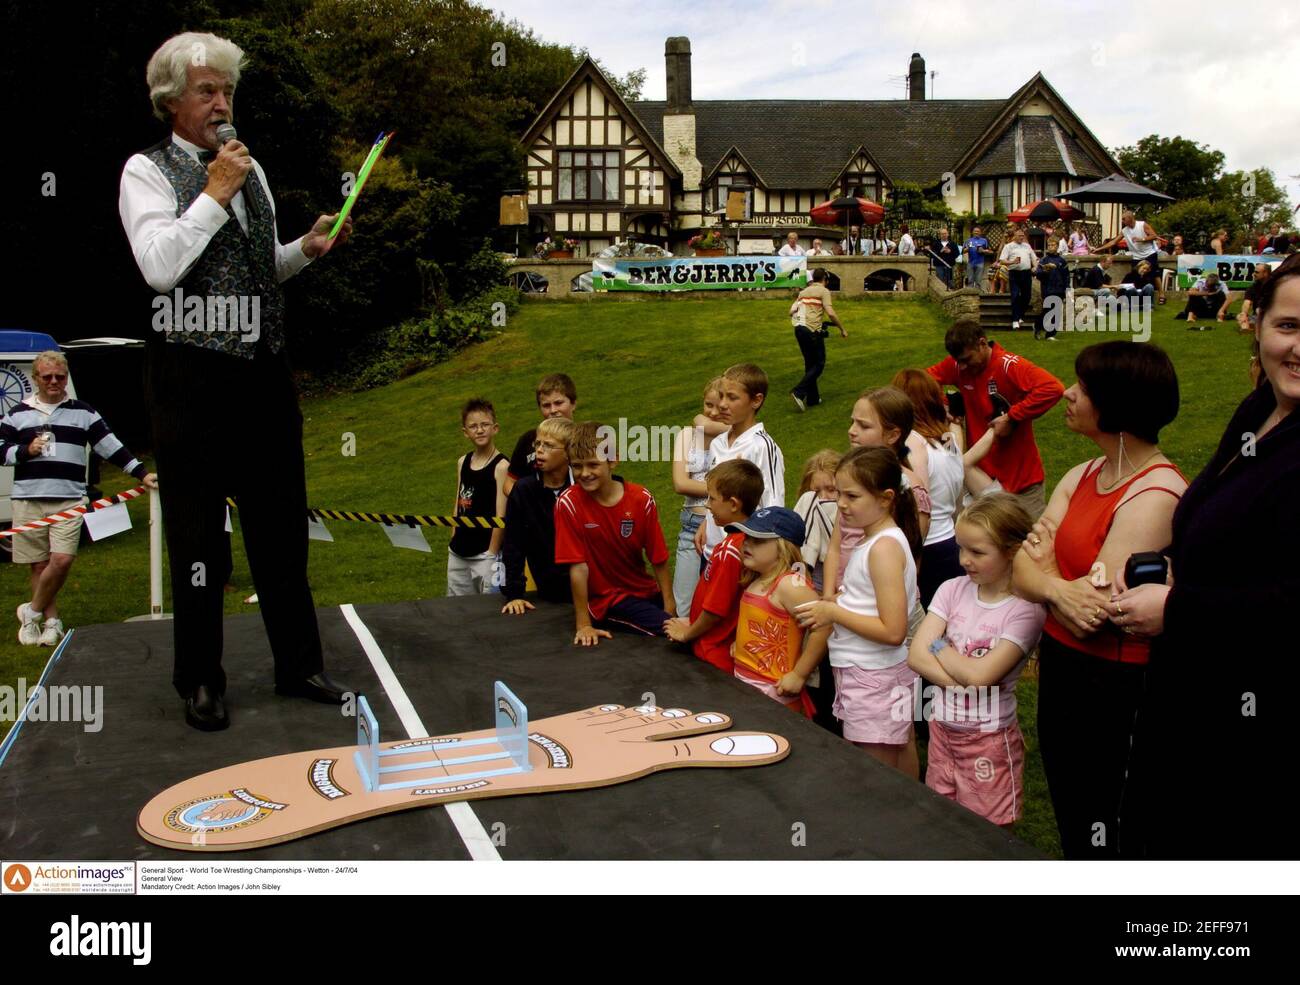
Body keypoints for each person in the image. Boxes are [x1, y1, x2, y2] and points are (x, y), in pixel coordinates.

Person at [119, 32, 353, 731]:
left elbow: (257, 271)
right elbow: (161, 267)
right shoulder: (147, 169)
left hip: (263, 373)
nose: (222, 103)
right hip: (191, 375)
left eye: (227, 90)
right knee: (197, 539)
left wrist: (304, 251)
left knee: (281, 525)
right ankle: (200, 678)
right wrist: (214, 193)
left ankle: (299, 664)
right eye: (206, 91)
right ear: (171, 100)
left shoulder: (251, 170)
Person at [1112, 253, 1300, 859]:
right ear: (1257, 322)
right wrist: (1177, 562)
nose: (1299, 349)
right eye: (1290, 327)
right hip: (1191, 696)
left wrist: (1179, 608)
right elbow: (1220, 513)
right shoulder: (1262, 408)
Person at [1011, 341, 1186, 858]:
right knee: (1073, 806)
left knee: (1106, 817)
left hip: (1112, 686)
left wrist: (1043, 572)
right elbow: (1023, 569)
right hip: (1064, 670)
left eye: (1082, 388)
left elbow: (1094, 610)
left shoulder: (1155, 494)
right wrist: (1054, 581)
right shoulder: (1084, 473)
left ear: (1118, 404)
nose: (1066, 394)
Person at [908, 494, 1046, 828]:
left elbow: (981, 676)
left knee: (990, 830)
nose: (964, 560)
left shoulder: (1025, 610)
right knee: (944, 821)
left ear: (1012, 551)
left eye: (977, 552)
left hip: (989, 738)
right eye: (961, 548)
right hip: (942, 727)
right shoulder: (952, 589)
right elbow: (916, 655)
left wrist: (940, 647)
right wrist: (965, 678)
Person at [2, 352, 158, 646]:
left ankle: (31, 612)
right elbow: (1, 450)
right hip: (28, 498)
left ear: (66, 377)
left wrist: (140, 473)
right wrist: (24, 451)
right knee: (38, 565)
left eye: (59, 377)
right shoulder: (17, 413)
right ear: (36, 379)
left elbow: (109, 446)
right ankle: (50, 622)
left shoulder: (84, 412)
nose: (53, 382)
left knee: (61, 560)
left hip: (68, 498)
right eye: (46, 377)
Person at [795, 446, 922, 775]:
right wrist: (840, 600)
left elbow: (893, 631)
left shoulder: (883, 549)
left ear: (885, 498)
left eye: (852, 496)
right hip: (867, 676)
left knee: (876, 776)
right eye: (839, 493)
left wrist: (833, 613)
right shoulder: (873, 541)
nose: (840, 504)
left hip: (874, 679)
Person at [927, 320, 1064, 519]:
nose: (963, 367)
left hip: (1021, 481)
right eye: (959, 361)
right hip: (980, 477)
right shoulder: (958, 366)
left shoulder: (1008, 365)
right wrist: (941, 402)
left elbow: (1053, 388)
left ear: (982, 343)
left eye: (967, 359)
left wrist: (1013, 416)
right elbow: (924, 379)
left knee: (1030, 541)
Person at [555, 421, 674, 645]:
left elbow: (658, 557)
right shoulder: (568, 503)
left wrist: (670, 606)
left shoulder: (641, 498)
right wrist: (584, 624)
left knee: (682, 626)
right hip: (608, 600)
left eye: (593, 465)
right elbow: (577, 567)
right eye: (577, 466)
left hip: (645, 592)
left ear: (613, 461)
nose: (585, 473)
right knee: (672, 632)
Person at [728, 507, 829, 716]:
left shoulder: (790, 585)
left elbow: (825, 625)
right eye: (747, 536)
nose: (747, 543)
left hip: (774, 692)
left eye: (758, 540)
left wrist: (800, 674)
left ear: (783, 546)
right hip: (747, 682)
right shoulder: (758, 578)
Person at [664, 460, 763, 671]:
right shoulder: (742, 542)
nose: (707, 505)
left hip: (713, 653)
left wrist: (687, 634)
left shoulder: (732, 550)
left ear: (734, 504)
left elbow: (715, 610)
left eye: (712, 498)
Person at [891, 369, 965, 606]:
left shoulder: (913, 442)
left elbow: (917, 499)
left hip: (926, 547)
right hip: (950, 542)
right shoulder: (948, 441)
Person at [697, 364, 786, 556]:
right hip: (710, 553)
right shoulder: (717, 443)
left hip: (740, 555)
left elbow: (773, 507)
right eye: (721, 395)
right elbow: (716, 494)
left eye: (732, 397)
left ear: (756, 400)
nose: (722, 404)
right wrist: (707, 522)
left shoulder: (762, 447)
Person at [501, 417, 574, 614]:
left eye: (549, 445)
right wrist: (514, 594)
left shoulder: (583, 488)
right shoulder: (524, 490)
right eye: (538, 444)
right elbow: (513, 544)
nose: (539, 450)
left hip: (591, 590)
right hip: (548, 593)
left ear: (569, 452)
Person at [669, 378, 728, 613]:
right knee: (684, 604)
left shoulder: (731, 440)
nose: (712, 412)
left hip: (724, 528)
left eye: (719, 407)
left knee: (717, 603)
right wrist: (721, 492)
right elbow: (681, 483)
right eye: (707, 405)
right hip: (691, 526)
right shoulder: (687, 434)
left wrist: (716, 427)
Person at [447, 398, 508, 595]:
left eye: (484, 425)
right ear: (465, 432)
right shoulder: (462, 462)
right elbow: (458, 504)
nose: (479, 430)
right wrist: (454, 538)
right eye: (473, 426)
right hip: (458, 552)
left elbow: (501, 515)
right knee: (457, 607)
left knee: (486, 609)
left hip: (484, 554)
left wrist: (491, 553)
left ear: (495, 428)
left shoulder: (501, 466)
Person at [505, 373, 577, 496]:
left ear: (573, 403)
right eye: (546, 405)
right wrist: (528, 504)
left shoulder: (587, 438)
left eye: (559, 403)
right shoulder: (528, 439)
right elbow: (509, 483)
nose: (553, 410)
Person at [789, 268, 847, 412]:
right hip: (812, 330)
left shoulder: (803, 292)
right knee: (819, 364)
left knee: (810, 364)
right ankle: (798, 392)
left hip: (799, 329)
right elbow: (831, 313)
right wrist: (842, 329)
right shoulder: (824, 291)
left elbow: (791, 311)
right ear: (825, 280)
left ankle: (813, 399)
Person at [1100, 211, 1165, 304]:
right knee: (1136, 274)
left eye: (1124, 219)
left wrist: (1141, 239)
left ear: (1130, 218)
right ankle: (1138, 296)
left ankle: (1161, 294)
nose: (1122, 221)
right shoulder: (1124, 230)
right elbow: (1113, 242)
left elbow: (1154, 236)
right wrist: (1099, 249)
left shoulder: (1142, 225)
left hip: (1149, 253)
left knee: (1155, 274)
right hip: (1136, 256)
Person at [997, 228, 1037, 330]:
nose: (1021, 237)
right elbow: (1002, 261)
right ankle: (1015, 320)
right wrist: (1012, 262)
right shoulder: (1008, 246)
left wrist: (1035, 266)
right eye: (1019, 236)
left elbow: (1034, 258)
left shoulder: (1027, 246)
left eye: (1022, 236)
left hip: (1026, 273)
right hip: (1014, 273)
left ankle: (1019, 315)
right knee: (1015, 295)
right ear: (1014, 236)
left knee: (1027, 296)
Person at [1034, 236, 1069, 341]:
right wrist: (1045, 270)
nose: (1050, 247)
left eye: (1053, 245)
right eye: (1049, 245)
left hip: (1059, 289)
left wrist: (1067, 289)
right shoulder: (1044, 260)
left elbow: (1066, 276)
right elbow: (1038, 274)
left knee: (1057, 312)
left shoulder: (1062, 261)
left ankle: (1050, 334)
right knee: (1047, 310)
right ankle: (1038, 326)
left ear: (1057, 246)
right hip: (1047, 289)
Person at [1237, 261, 1271, 334]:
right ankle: (1246, 328)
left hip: (1270, 315)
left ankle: (1253, 326)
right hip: (1257, 316)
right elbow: (1247, 302)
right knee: (1240, 315)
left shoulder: (1274, 286)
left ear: (1265, 273)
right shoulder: (1253, 287)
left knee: (1259, 311)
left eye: (1257, 272)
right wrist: (1244, 314)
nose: (1254, 274)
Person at [964, 226, 993, 291]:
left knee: (978, 280)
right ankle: (970, 293)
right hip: (970, 262)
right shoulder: (968, 240)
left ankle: (978, 293)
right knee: (970, 279)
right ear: (972, 232)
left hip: (980, 262)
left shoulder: (984, 240)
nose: (976, 232)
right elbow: (962, 251)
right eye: (975, 231)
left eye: (978, 231)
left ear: (980, 232)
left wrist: (983, 251)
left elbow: (990, 251)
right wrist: (967, 248)